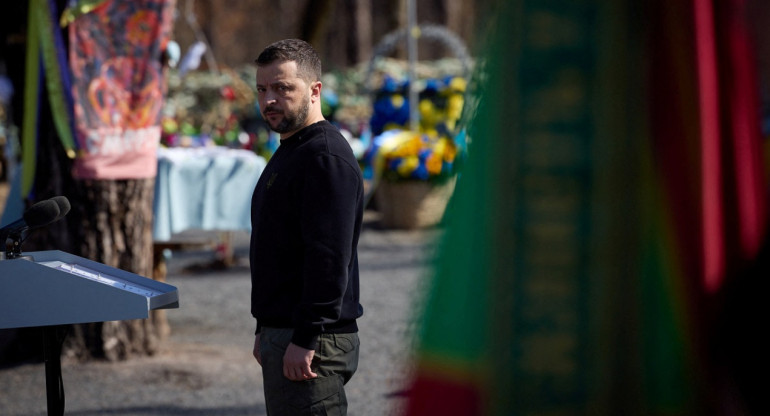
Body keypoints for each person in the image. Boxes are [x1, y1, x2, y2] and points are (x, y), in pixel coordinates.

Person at [250, 38, 364, 415]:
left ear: (315, 90)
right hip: (286, 331)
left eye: (283, 88)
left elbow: (329, 259)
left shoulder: (324, 157)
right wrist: (264, 328)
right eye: (263, 89)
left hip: (314, 341)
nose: (269, 99)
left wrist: (305, 336)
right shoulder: (293, 148)